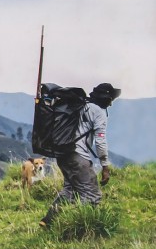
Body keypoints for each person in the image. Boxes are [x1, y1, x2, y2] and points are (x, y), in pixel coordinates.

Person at [40, 83, 121, 227]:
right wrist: (105, 166)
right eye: (111, 99)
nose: (111, 103)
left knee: (70, 189)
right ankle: (85, 228)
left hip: (62, 152)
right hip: (78, 155)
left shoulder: (79, 105)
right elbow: (100, 141)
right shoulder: (99, 112)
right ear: (106, 98)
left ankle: (48, 221)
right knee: (92, 195)